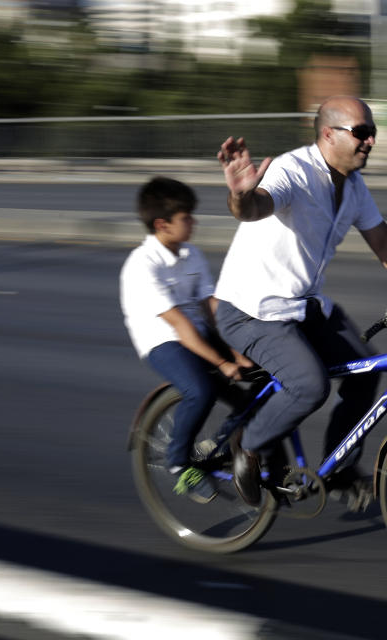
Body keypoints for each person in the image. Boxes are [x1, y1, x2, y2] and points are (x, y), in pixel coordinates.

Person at [214, 96, 387, 509]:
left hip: (303, 305)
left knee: (365, 373)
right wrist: (241, 196)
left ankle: (338, 471)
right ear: (328, 134)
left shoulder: (352, 186)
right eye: (361, 132)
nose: (370, 141)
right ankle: (247, 445)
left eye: (372, 132)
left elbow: (382, 239)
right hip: (254, 311)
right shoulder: (293, 171)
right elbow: (256, 206)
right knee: (310, 385)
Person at [119, 176, 253, 503]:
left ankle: (220, 445)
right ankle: (178, 463)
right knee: (201, 390)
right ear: (162, 224)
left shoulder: (191, 254)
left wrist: (239, 350)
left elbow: (210, 307)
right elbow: (179, 326)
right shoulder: (142, 266)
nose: (193, 222)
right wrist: (222, 362)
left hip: (196, 331)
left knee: (258, 386)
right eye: (186, 218)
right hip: (162, 341)